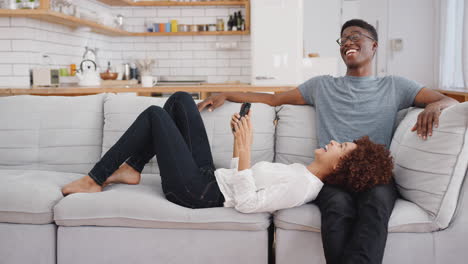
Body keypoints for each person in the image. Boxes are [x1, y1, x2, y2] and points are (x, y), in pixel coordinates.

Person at [196, 19, 459, 263]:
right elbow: (274, 99)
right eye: (343, 40)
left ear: (374, 45)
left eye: (355, 36)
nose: (347, 43)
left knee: (376, 205)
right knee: (337, 207)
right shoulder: (321, 86)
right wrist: (227, 93)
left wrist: (435, 106)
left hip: (374, 175)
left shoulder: (395, 86)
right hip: (334, 174)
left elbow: (449, 101)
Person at [62, 92, 393, 214]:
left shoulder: (304, 187)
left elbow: (247, 204)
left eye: (342, 147)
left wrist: (243, 149)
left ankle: (95, 178)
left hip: (197, 193)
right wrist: (240, 146)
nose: (335, 142)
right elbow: (241, 180)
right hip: (210, 179)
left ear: (342, 166)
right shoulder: (302, 172)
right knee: (178, 100)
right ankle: (133, 167)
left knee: (154, 114)